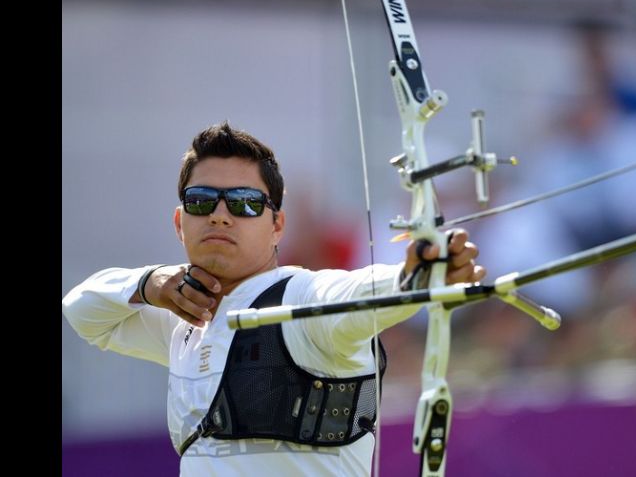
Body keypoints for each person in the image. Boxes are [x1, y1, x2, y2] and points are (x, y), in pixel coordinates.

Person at [62, 121, 486, 477]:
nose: (220, 214)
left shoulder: (299, 299)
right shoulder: (185, 320)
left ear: (277, 225)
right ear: (180, 221)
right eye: (201, 201)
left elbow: (355, 294)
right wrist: (149, 282)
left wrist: (416, 276)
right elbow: (81, 311)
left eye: (245, 204)